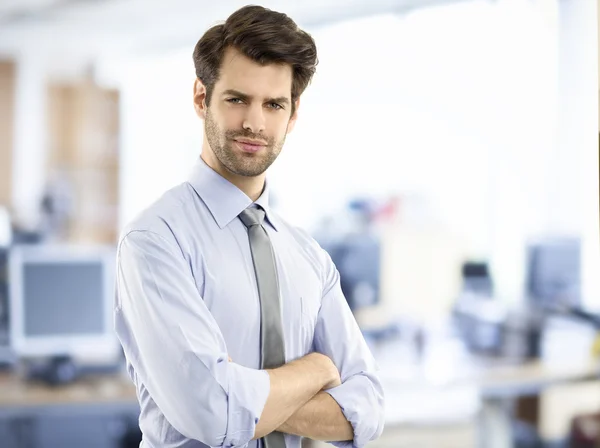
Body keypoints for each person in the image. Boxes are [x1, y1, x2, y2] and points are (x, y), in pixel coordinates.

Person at [114, 5, 385, 448]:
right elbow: (213, 415)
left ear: (293, 114)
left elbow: (368, 408)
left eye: (273, 104)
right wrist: (314, 370)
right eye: (237, 99)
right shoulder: (155, 241)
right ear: (202, 97)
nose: (254, 123)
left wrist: (248, 397)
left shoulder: (308, 256)